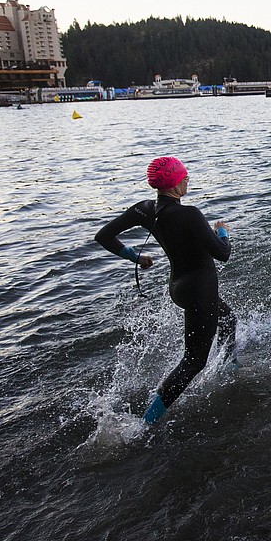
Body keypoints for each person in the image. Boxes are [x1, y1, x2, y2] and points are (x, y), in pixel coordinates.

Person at [94, 156, 234, 425]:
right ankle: (145, 424)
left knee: (228, 319)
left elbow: (103, 236)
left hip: (178, 286)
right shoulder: (190, 214)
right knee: (194, 362)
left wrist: (135, 257)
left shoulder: (144, 210)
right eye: (185, 177)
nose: (187, 180)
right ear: (175, 183)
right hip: (199, 289)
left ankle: (231, 366)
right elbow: (223, 254)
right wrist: (223, 232)